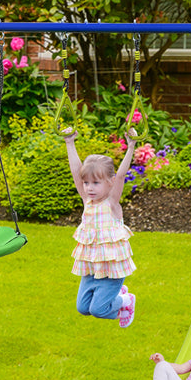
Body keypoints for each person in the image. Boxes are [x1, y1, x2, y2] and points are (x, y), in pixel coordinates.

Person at [65, 127, 138, 327]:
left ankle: (125, 300)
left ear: (110, 182)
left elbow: (121, 175)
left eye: (95, 183)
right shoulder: (87, 200)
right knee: (83, 309)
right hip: (91, 268)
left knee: (98, 310)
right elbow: (75, 172)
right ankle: (117, 301)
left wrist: (131, 146)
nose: (89, 187)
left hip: (112, 269)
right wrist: (69, 142)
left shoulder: (112, 203)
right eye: (86, 182)